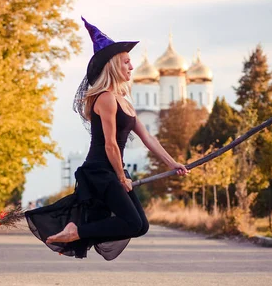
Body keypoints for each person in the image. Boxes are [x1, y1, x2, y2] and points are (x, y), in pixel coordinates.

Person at [25, 17, 188, 260]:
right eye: (126, 62)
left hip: (113, 170)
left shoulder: (124, 100)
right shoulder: (105, 98)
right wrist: (122, 177)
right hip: (101, 170)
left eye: (131, 62)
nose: (131, 67)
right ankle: (75, 232)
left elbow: (148, 138)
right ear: (113, 66)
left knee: (140, 226)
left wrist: (172, 163)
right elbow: (111, 144)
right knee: (131, 222)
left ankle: (78, 232)